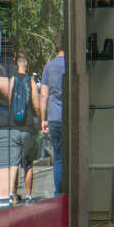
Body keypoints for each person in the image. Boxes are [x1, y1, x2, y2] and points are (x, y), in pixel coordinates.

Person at [0, 52, 42, 210]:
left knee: (13, 163)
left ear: (16, 63)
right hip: (28, 127)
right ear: (27, 63)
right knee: (28, 164)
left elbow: (11, 102)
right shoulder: (30, 81)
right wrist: (40, 119)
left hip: (14, 127)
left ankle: (12, 194)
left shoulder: (11, 80)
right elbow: (36, 105)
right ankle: (29, 195)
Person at [40, 39, 65, 196]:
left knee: (59, 157)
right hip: (70, 117)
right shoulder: (73, 64)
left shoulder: (49, 66)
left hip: (55, 117)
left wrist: (44, 119)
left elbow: (43, 94)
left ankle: (59, 193)